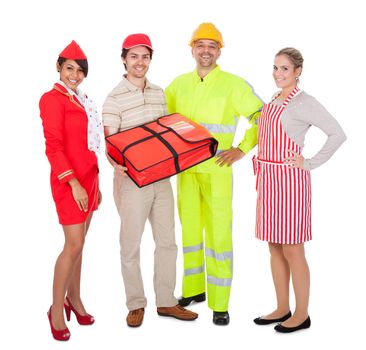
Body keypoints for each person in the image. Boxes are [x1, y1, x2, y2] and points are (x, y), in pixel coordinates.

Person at [165, 23, 263, 325]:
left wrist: (243, 149)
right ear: (192, 48)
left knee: (219, 235)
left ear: (220, 50)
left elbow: (263, 117)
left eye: (212, 46)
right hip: (186, 171)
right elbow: (160, 122)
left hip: (218, 169)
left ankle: (220, 303)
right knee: (190, 232)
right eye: (201, 45)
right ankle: (194, 289)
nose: (206, 51)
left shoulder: (233, 84)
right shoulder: (178, 85)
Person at [102, 33, 198, 328]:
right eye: (134, 56)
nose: (139, 62)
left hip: (161, 178)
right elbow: (109, 143)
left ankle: (166, 301)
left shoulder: (159, 93)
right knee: (130, 245)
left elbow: (166, 133)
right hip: (131, 181)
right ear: (124, 60)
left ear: (150, 60)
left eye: (144, 57)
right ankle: (135, 304)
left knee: (167, 242)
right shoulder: (114, 98)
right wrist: (116, 165)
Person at [252, 47, 346, 333]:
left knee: (293, 249)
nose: (278, 74)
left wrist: (310, 162)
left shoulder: (305, 102)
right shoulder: (272, 100)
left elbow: (337, 134)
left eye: (284, 69)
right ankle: (282, 307)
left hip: (291, 183)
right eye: (275, 68)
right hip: (268, 181)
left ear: (298, 72)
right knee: (274, 247)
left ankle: (302, 314)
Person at [39, 40, 102, 341]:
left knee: (81, 246)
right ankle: (55, 309)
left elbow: (89, 143)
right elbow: (54, 147)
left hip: (89, 179)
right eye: (69, 69)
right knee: (73, 245)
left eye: (79, 71)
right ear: (58, 68)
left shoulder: (82, 98)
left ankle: (74, 300)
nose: (75, 75)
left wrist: (95, 183)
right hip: (69, 182)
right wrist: (74, 182)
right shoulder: (52, 99)